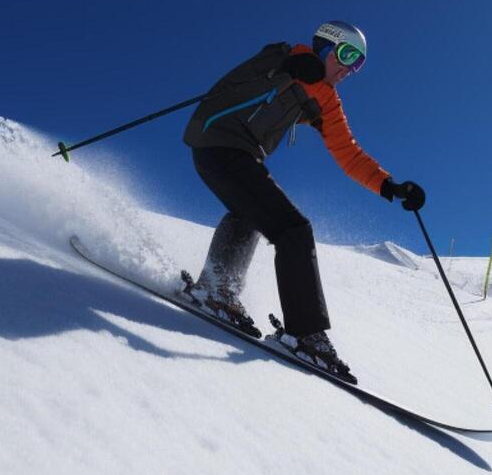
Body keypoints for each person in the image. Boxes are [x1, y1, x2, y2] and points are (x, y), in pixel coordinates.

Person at [179, 20, 426, 382]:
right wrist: (289, 66)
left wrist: (391, 186)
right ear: (325, 46)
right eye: (345, 55)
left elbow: (349, 155)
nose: (347, 69)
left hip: (244, 157)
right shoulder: (282, 58)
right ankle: (305, 334)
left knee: (253, 211)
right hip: (216, 142)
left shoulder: (325, 99)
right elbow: (244, 76)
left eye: (357, 65)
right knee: (293, 229)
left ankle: (217, 288)